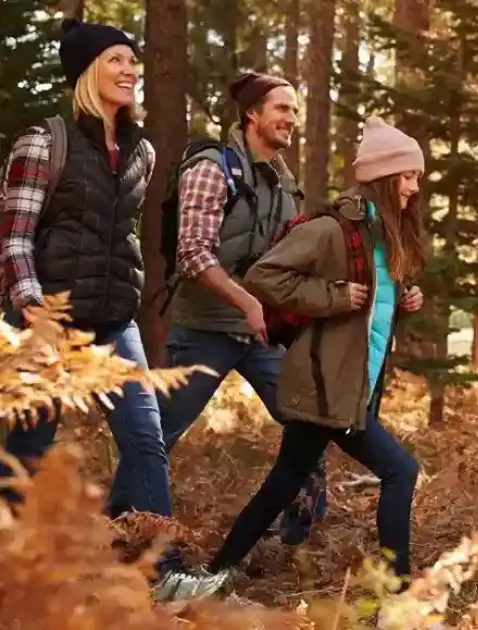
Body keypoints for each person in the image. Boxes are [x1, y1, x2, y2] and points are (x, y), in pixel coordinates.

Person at [0, 17, 230, 601]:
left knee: (146, 437)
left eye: (133, 62)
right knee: (26, 455)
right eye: (116, 61)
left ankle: (163, 572)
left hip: (113, 323)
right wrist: (35, 312)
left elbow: (119, 235)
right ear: (85, 72)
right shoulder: (43, 142)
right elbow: (14, 238)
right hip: (45, 325)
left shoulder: (141, 151)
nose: (130, 71)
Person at [106, 71, 327, 546]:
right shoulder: (211, 168)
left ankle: (298, 545)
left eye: (294, 109)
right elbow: (192, 254)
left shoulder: (287, 185)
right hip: (205, 328)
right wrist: (247, 300)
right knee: (158, 437)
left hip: (264, 334)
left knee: (309, 422)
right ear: (252, 114)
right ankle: (118, 530)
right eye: (281, 108)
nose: (292, 118)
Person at [205, 116, 425, 583]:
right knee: (401, 471)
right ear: (384, 177)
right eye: (409, 175)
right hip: (326, 384)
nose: (415, 187)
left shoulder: (384, 233)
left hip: (348, 382)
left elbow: (373, 310)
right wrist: (333, 296)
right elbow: (264, 275)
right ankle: (400, 590)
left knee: (283, 483)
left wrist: (405, 301)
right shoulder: (333, 229)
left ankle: (216, 570)